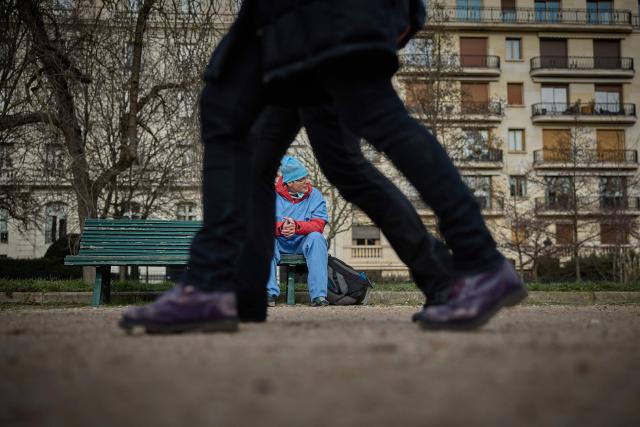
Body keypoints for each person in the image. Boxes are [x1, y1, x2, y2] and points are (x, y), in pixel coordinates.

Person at [119, 0, 526, 334]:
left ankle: (477, 263)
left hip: (325, 14)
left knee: (370, 116)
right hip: (277, 21)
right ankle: (225, 288)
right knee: (235, 121)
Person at [266, 156, 330, 307]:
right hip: (278, 243)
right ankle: (269, 293)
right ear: (289, 183)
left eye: (306, 177)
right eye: (301, 179)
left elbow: (319, 224)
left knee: (317, 238)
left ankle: (319, 296)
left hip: (303, 243)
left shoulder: (315, 195)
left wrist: (297, 226)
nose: (307, 182)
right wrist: (281, 228)